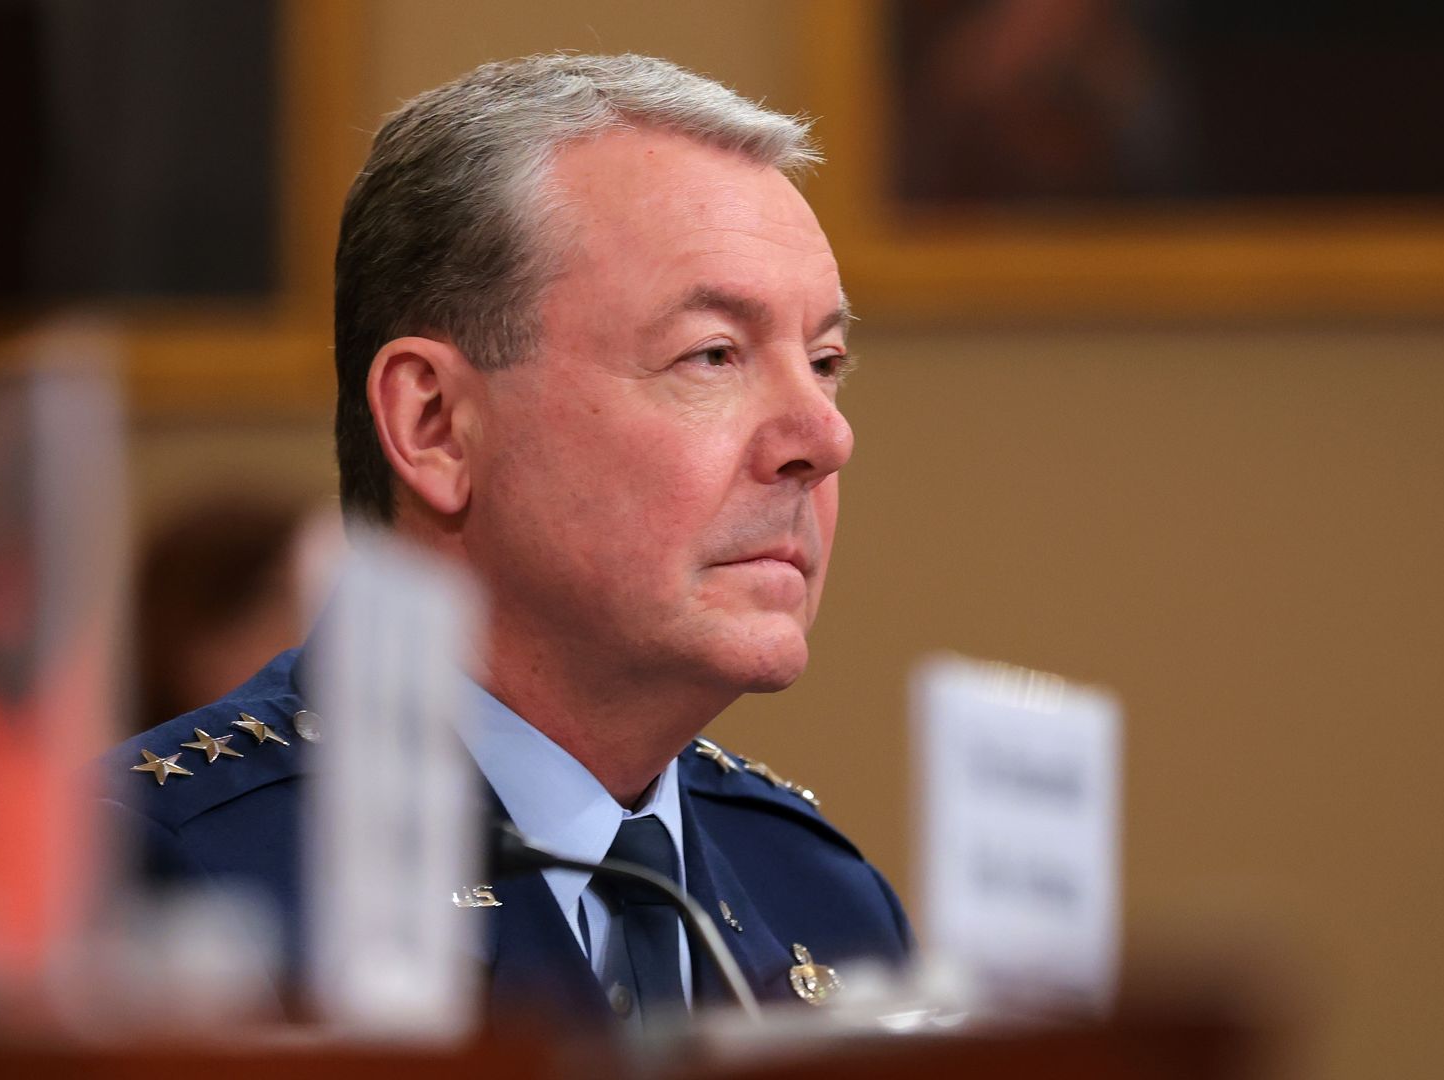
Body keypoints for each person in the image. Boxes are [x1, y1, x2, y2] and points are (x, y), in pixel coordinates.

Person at [100, 53, 910, 1032]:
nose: (826, 438)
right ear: (437, 424)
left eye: (825, 363)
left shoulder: (824, 896)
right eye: (713, 355)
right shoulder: (160, 877)